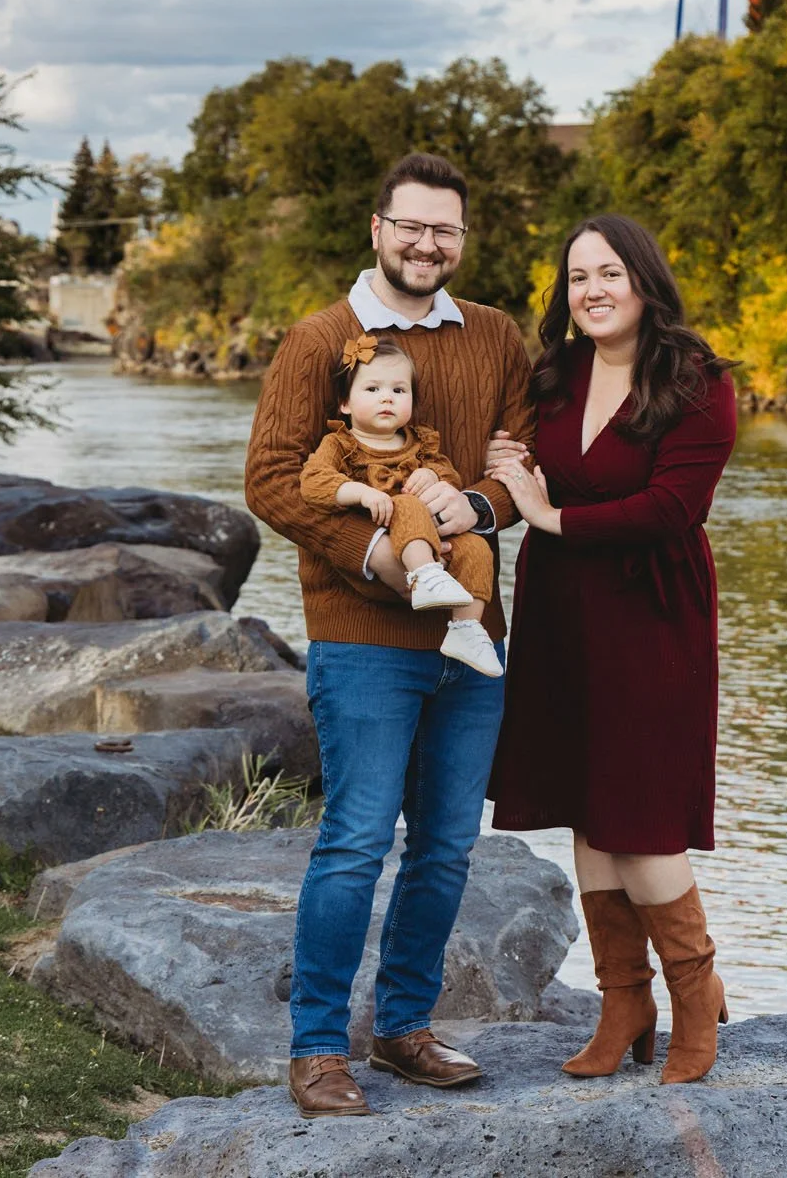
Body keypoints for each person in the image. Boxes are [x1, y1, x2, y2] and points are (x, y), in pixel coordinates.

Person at [244, 153, 535, 1119]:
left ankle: (404, 1027)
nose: (427, 243)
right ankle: (320, 1049)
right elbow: (274, 480)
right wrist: (375, 557)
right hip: (363, 636)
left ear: (462, 238)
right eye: (410, 225)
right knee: (357, 839)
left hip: (472, 636)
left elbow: (521, 472)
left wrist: (477, 505)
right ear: (377, 229)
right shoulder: (322, 338)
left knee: (449, 845)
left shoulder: (496, 339)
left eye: (444, 229)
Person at [485, 213, 738, 1085]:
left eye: (609, 274)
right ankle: (623, 999)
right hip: (561, 613)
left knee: (640, 817)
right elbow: (521, 466)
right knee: (585, 808)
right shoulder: (555, 373)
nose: (591, 290)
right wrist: (505, 477)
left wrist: (551, 515)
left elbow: (674, 510)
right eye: (577, 275)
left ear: (643, 281)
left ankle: (696, 1000)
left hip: (651, 616)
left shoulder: (698, 382)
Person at [299, 336, 504, 677]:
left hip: (433, 537)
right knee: (406, 503)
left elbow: (448, 475)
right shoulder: (340, 444)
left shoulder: (420, 443)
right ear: (345, 403)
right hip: (389, 546)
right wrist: (359, 493)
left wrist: (432, 476)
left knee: (478, 548)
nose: (386, 398)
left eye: (398, 390)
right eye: (373, 389)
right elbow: (313, 482)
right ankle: (424, 576)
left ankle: (466, 630)